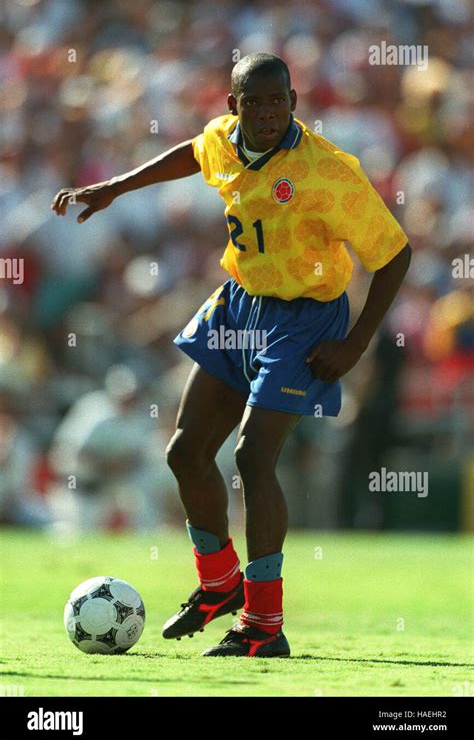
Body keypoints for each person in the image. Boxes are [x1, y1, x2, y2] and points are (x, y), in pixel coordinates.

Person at [51, 53, 412, 657]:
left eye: (278, 101)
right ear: (233, 106)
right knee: (186, 451)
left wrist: (355, 343)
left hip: (304, 320)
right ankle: (220, 583)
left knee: (252, 457)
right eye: (254, 102)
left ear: (294, 103)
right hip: (239, 305)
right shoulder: (222, 140)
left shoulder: (329, 171)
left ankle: (264, 626)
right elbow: (193, 152)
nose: (267, 113)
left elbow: (395, 254)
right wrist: (115, 187)